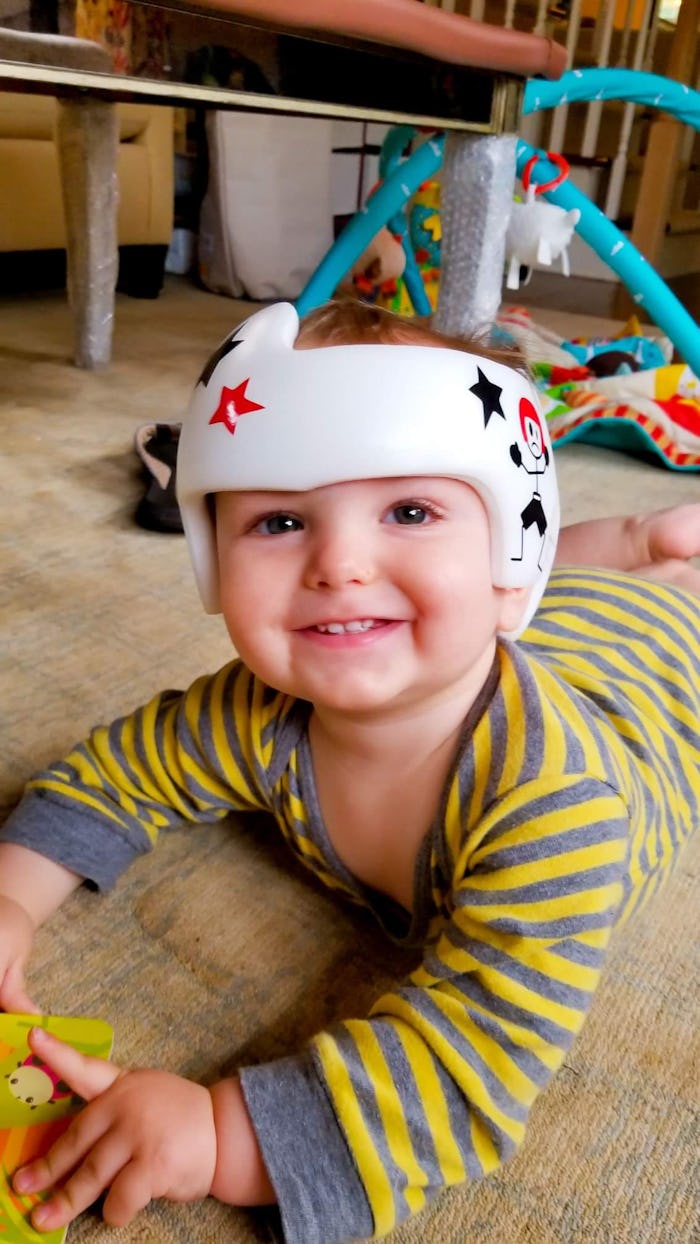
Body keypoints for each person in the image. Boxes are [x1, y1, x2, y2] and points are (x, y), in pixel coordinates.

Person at [0, 300, 698, 1242]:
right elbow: (124, 772)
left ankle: (641, 557)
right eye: (281, 519)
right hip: (541, 614)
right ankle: (628, 552)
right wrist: (12, 896)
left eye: (409, 510)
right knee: (508, 599)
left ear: (510, 551)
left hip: (656, 682)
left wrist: (219, 1134)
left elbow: (472, 1061)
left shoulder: (559, 810)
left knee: (605, 603)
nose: (340, 564)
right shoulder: (257, 708)